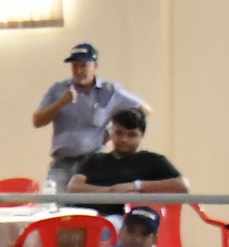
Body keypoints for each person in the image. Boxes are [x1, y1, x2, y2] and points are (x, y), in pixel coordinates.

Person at [34, 43, 148, 192]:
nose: (79, 70)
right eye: (75, 66)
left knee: (93, 206)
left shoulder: (110, 91)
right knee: (53, 207)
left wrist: (114, 132)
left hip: (94, 161)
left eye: (84, 65)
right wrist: (60, 103)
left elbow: (144, 109)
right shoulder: (59, 89)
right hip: (62, 163)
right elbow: (37, 121)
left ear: (95, 66)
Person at [67, 108, 186, 218]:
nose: (124, 139)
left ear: (142, 135)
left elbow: (182, 186)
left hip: (126, 222)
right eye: (119, 133)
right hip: (86, 217)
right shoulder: (95, 159)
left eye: (132, 135)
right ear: (111, 133)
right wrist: (111, 192)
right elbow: (74, 187)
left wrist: (136, 186)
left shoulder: (153, 161)